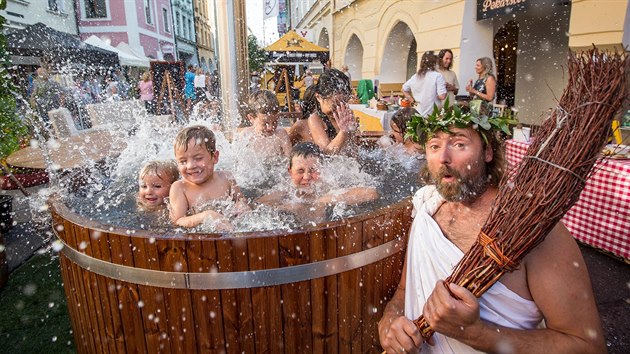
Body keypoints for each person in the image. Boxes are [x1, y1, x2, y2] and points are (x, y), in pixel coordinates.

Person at [378, 107, 605, 353]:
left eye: (459, 144)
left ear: (487, 152)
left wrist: (477, 334)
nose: (443, 156)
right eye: (434, 146)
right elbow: (403, 291)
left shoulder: (533, 229)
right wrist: (389, 323)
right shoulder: (427, 207)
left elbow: (587, 345)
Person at [256, 142, 378, 211]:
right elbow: (257, 206)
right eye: (300, 171)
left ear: (322, 170)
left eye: (313, 170)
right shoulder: (285, 193)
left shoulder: (329, 188)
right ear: (290, 172)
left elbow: (371, 193)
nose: (306, 176)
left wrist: (321, 201)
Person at [169, 125, 248, 229]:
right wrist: (205, 216)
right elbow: (178, 221)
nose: (190, 166)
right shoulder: (180, 188)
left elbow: (240, 199)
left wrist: (241, 205)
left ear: (214, 157)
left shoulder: (226, 178)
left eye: (198, 158)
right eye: (183, 161)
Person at [308, 68, 358, 154]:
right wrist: (343, 132)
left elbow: (353, 150)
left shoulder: (346, 115)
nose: (338, 111)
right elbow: (326, 154)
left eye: (342, 104)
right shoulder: (315, 119)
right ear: (319, 97)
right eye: (334, 106)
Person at [236, 90, 292, 157]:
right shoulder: (246, 136)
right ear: (251, 118)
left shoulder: (281, 135)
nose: (270, 127)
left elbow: (290, 160)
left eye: (275, 122)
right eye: (265, 124)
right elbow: (237, 162)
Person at [402, 52, 447, 117]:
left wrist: (412, 101)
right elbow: (442, 96)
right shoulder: (437, 76)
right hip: (433, 114)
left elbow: (403, 89)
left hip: (418, 113)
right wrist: (444, 87)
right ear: (434, 63)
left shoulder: (415, 76)